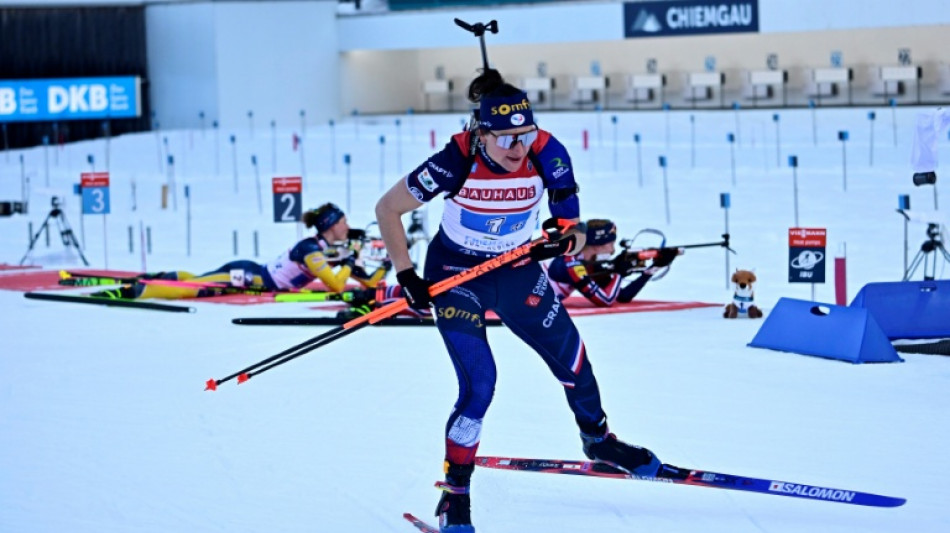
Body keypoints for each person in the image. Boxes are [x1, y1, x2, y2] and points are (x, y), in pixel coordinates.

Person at [374, 68, 663, 533]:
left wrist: (562, 241)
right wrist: (406, 274)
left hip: (514, 270)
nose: (516, 148)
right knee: (480, 385)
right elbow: (388, 209)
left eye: (524, 135)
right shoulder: (455, 159)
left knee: (573, 360)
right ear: (481, 133)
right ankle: (456, 494)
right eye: (505, 138)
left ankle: (598, 440)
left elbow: (575, 228)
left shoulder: (549, 152)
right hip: (456, 276)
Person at [93, 203, 390, 300]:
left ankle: (160, 277)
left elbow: (366, 282)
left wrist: (383, 267)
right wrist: (350, 261)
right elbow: (337, 284)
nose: (347, 225)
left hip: (253, 273)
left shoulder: (326, 247)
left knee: (199, 279)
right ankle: (138, 291)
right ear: (330, 226)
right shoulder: (312, 249)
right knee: (194, 289)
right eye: (343, 222)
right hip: (249, 277)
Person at [544, 218, 677, 306]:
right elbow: (605, 300)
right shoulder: (571, 263)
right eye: (610, 244)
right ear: (597, 245)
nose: (613, 250)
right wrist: (619, 273)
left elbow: (622, 296)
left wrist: (652, 269)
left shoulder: (586, 262)